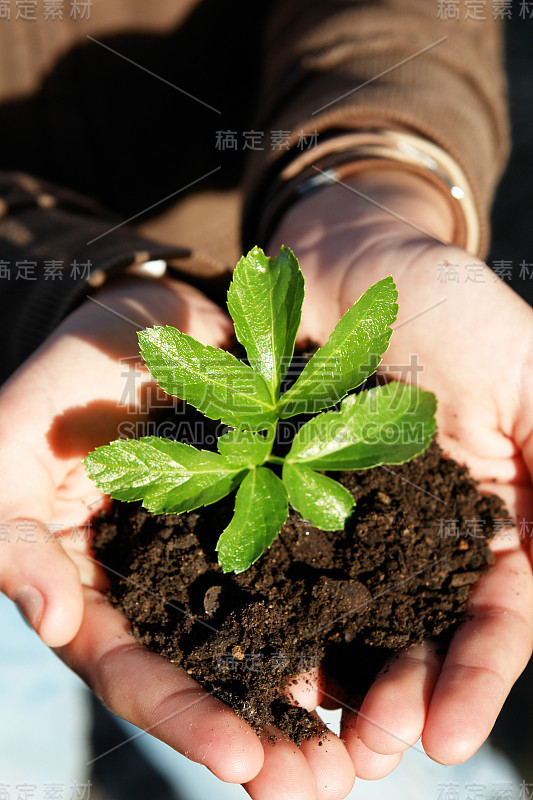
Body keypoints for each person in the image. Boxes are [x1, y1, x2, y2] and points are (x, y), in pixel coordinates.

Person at [0, 1, 531, 798]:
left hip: (214, 245)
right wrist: (49, 291)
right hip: (31, 451)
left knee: (371, 753)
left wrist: (371, 177)